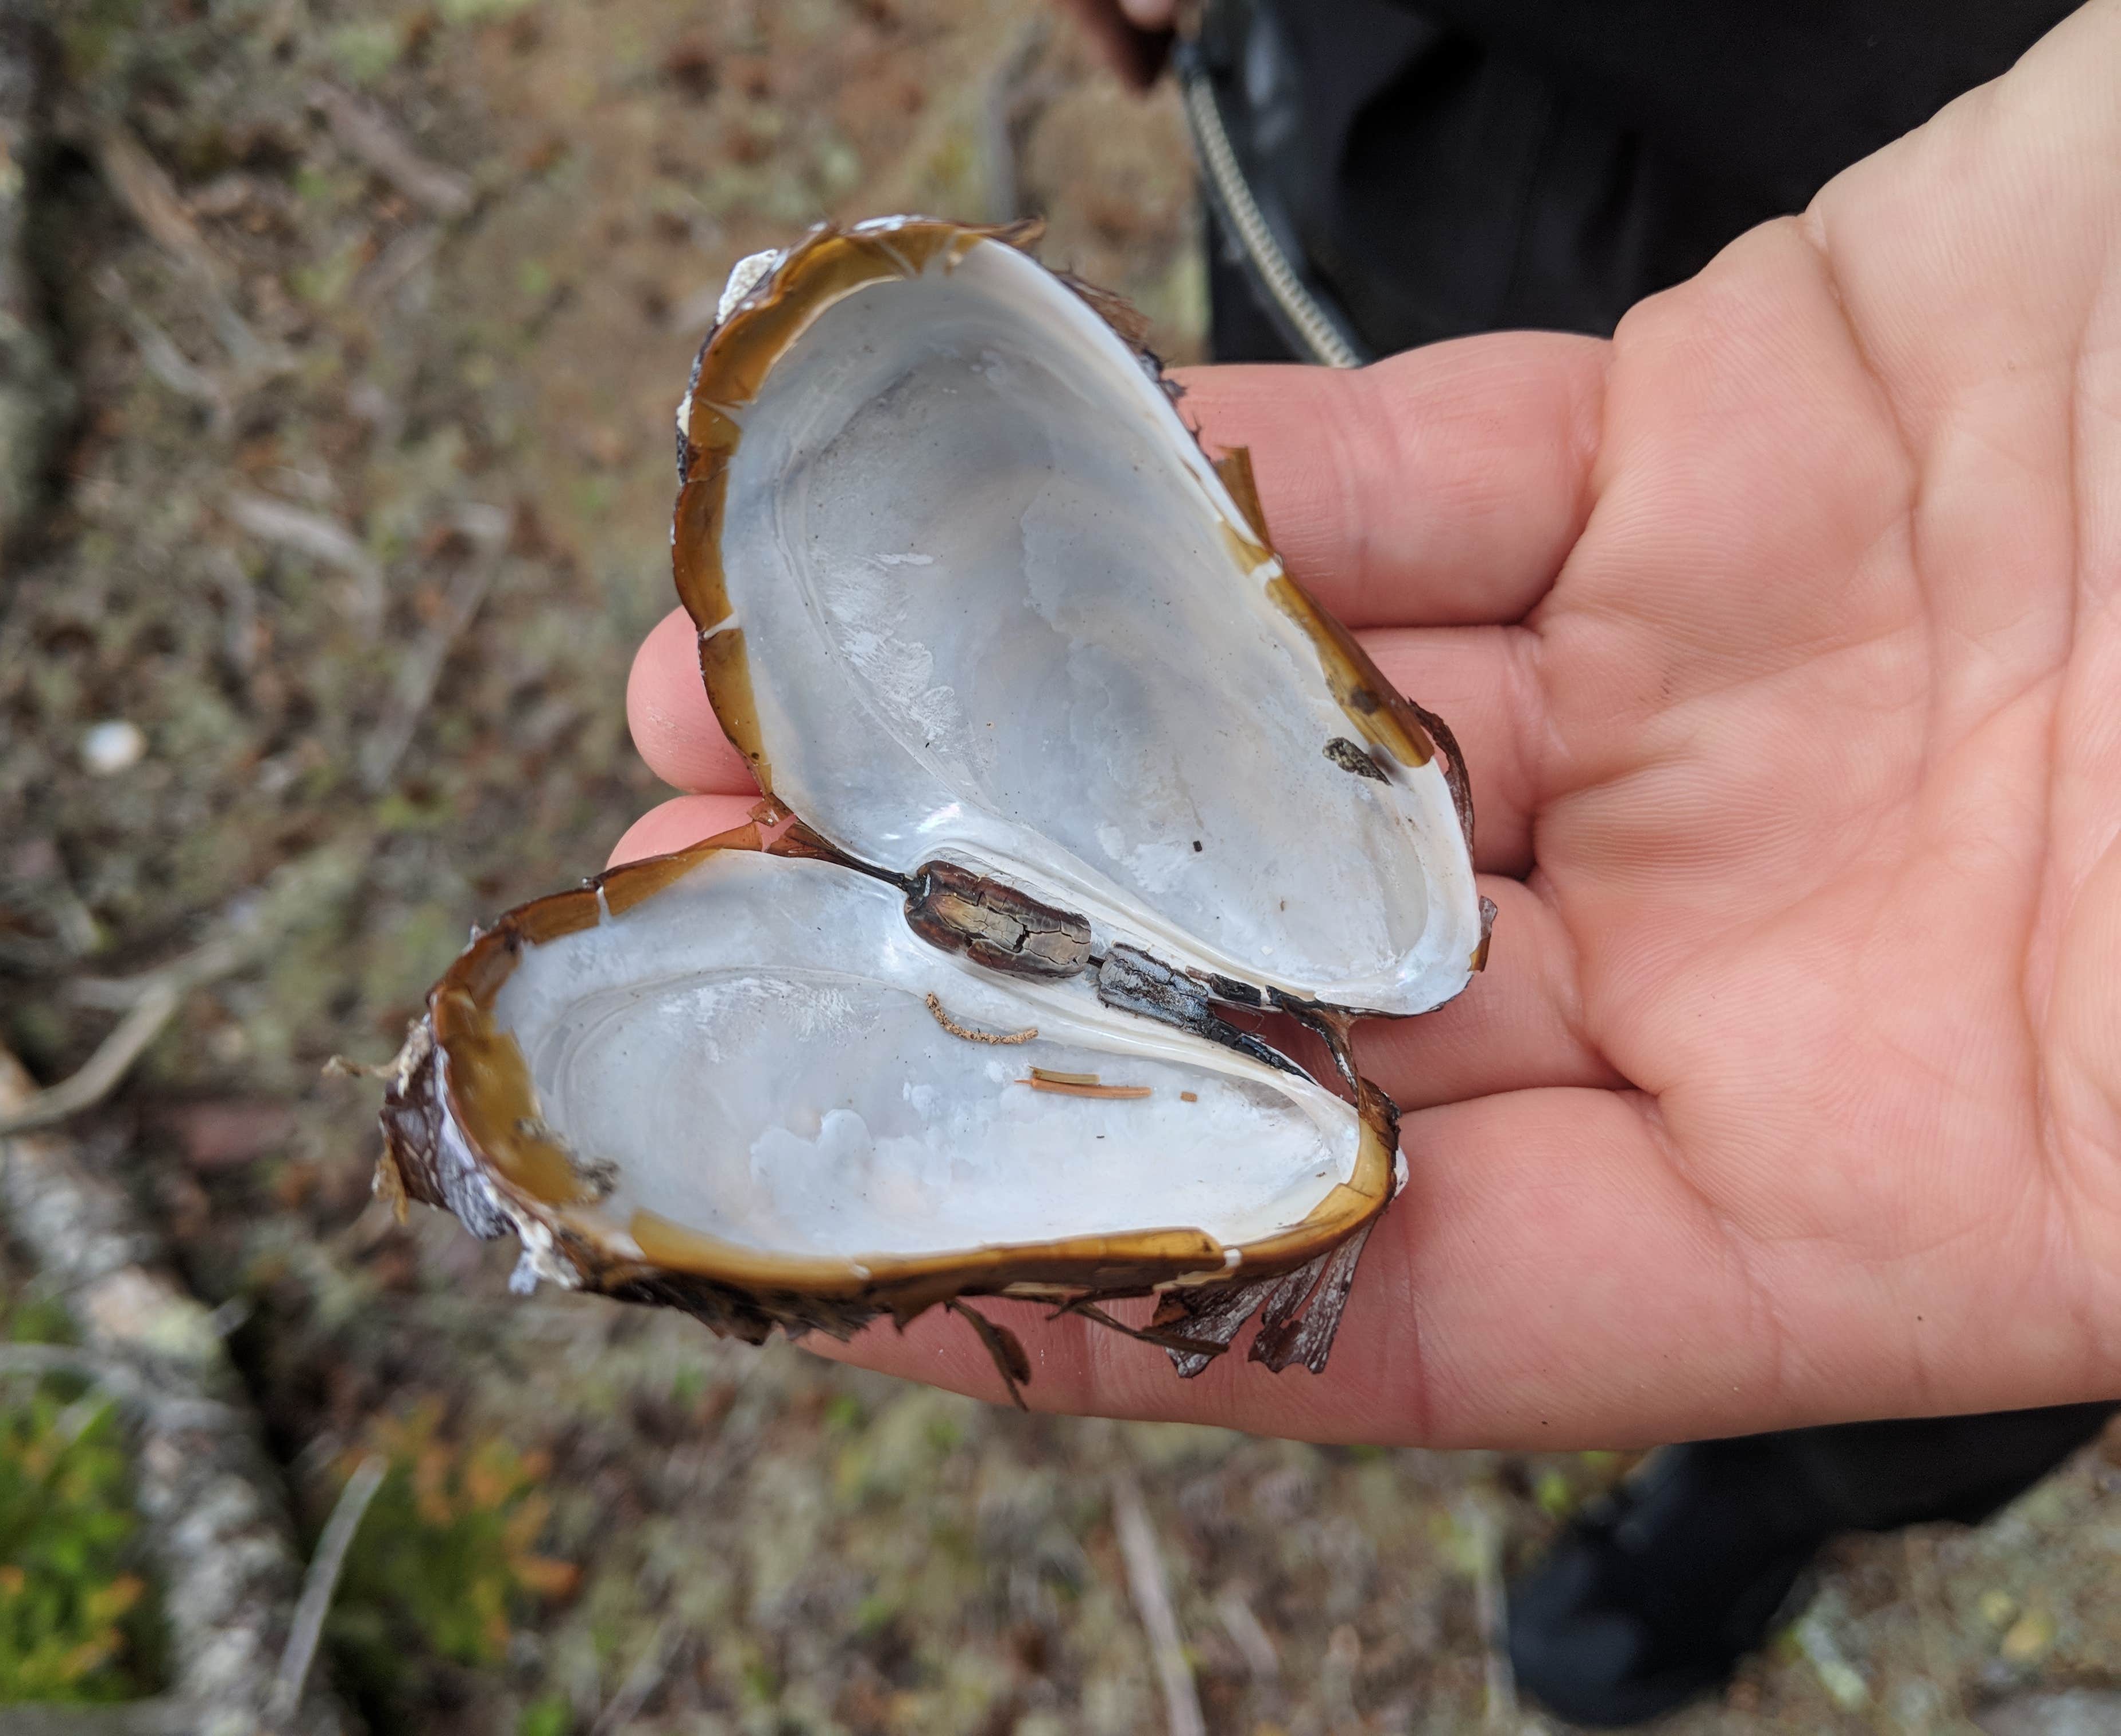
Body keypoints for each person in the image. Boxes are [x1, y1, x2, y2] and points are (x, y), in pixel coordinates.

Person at [617, 0, 2121, 1723]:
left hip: (1934, 310)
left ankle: (1774, 1502)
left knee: (1937, 1233)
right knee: (1332, 382)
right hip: (1411, 127)